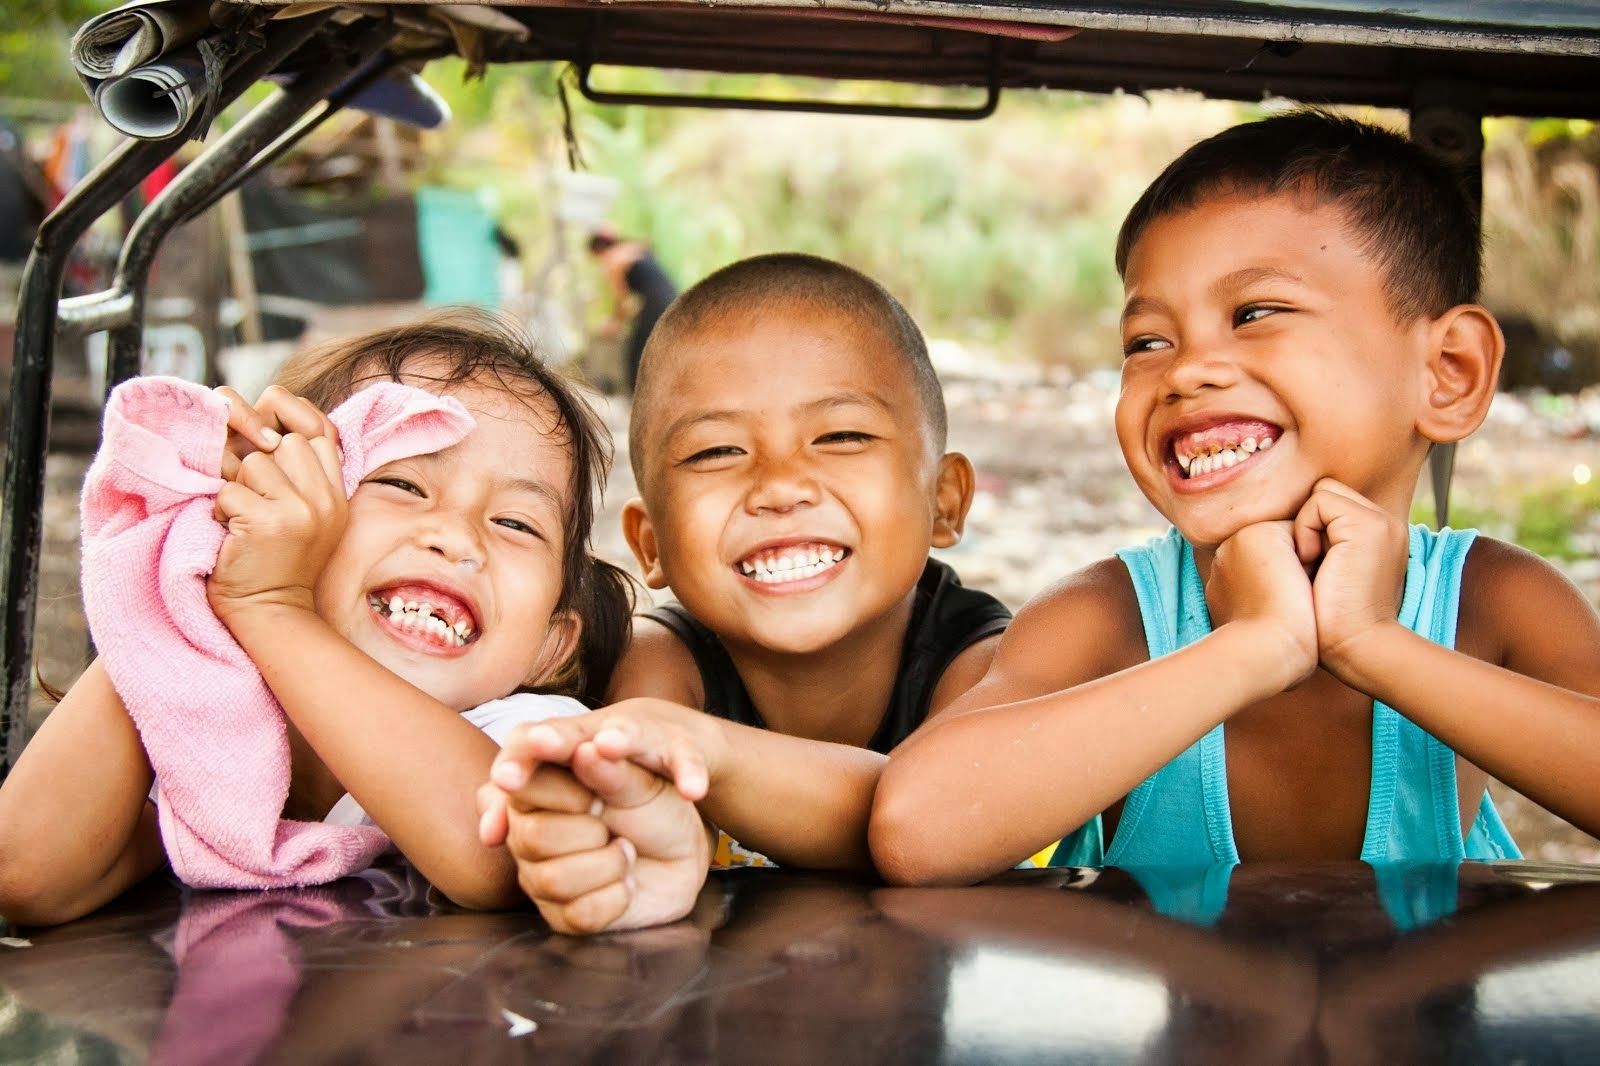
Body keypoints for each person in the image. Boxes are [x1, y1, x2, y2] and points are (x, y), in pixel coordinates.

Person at [867, 111, 1600, 886]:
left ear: (1447, 372)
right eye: (1148, 342)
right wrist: (1258, 647)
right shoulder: (1107, 619)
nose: (1185, 372)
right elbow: (917, 831)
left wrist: (1372, 643)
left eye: (1254, 314)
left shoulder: (1494, 603)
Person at [0, 310, 632, 926]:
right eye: (402, 485)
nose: (456, 537)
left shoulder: (523, 728)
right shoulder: (205, 724)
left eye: (517, 524)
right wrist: (195, 558)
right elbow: (24, 872)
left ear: (553, 643)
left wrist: (271, 608)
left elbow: (492, 852)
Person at [478, 253, 1012, 932]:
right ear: (651, 543)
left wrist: (706, 752)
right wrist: (587, 848)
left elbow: (935, 818)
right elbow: (633, 817)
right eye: (715, 452)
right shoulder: (659, 669)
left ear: (944, 499)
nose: (781, 486)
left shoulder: (984, 663)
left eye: (841, 436)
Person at [587, 225, 679, 393]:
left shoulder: (613, 259)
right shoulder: (634, 249)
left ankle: (636, 401)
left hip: (656, 304)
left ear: (599, 250)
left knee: (636, 356)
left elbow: (621, 301)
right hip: (673, 299)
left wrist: (614, 323)